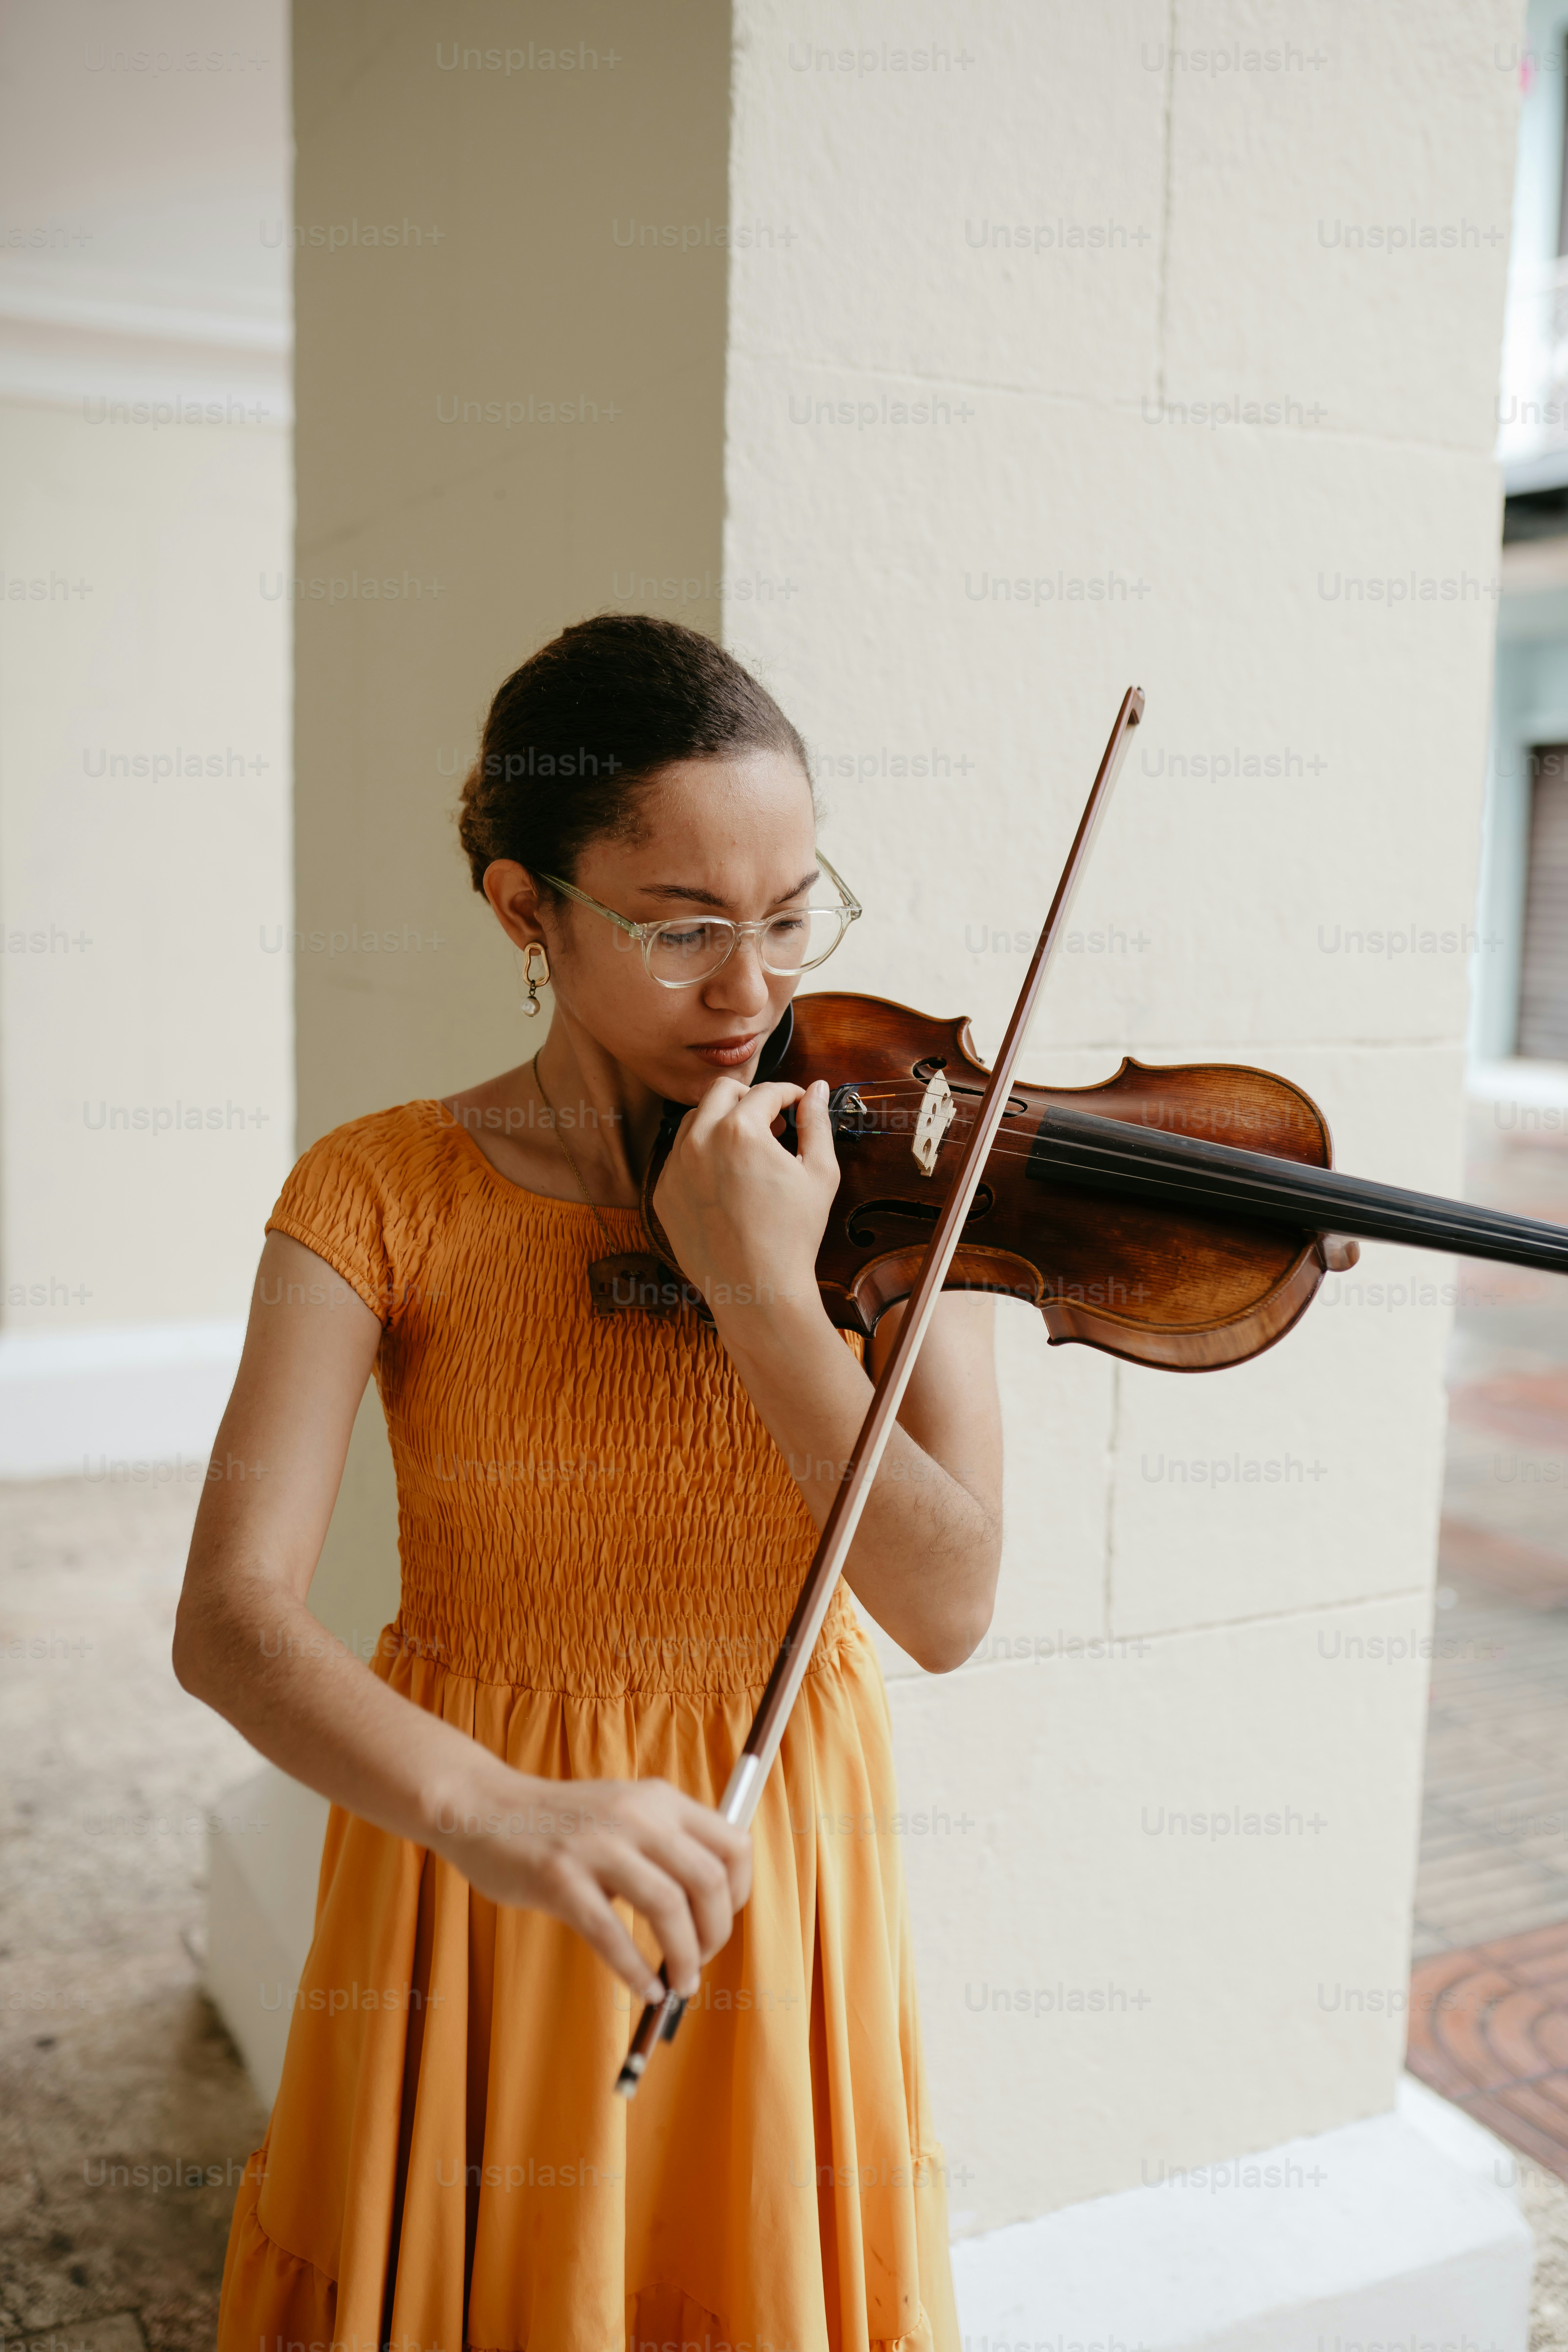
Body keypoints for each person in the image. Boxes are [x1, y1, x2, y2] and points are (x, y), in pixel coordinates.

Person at [176, 613, 1004, 2352]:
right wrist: (495, 1811)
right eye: (683, 930)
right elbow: (231, 1623)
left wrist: (768, 1301)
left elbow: (946, 1606)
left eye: (790, 916)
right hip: (472, 1848)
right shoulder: (382, 1190)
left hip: (766, 1846)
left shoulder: (890, 1171)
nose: (755, 991)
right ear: (523, 911)